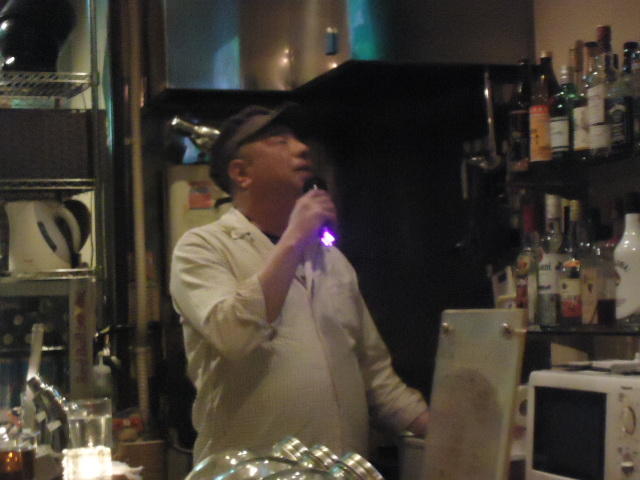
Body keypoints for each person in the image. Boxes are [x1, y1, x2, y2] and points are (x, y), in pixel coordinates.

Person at [170, 103, 429, 465]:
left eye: (299, 140)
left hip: (340, 472)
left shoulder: (332, 261)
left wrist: (446, 429)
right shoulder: (203, 248)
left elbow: (375, 377)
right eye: (280, 141)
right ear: (241, 173)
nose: (302, 149)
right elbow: (233, 335)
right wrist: (295, 235)